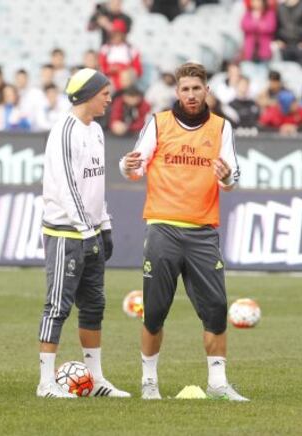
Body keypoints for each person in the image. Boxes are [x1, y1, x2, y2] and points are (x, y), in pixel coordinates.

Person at [120, 62, 248, 401]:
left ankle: (218, 385)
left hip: (203, 232)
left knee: (217, 309)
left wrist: (225, 177)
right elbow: (134, 168)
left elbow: (232, 181)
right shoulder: (158, 123)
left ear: (207, 91)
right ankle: (149, 382)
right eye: (185, 89)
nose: (191, 95)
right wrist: (126, 166)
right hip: (163, 228)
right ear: (177, 92)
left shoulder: (222, 128)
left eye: (197, 88)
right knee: (155, 309)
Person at [37, 68, 131, 398]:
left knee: (94, 307)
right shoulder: (65, 130)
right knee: (57, 306)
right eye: (104, 92)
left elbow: (95, 184)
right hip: (65, 232)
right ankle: (46, 382)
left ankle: (95, 378)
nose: (109, 98)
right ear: (89, 94)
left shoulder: (97, 130)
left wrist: (103, 225)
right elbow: (67, 186)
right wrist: (85, 230)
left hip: (89, 230)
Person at [274, 0, 302, 66]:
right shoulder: (281, 7)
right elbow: (276, 26)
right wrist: (278, 40)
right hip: (284, 46)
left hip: (300, 46)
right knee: (285, 71)